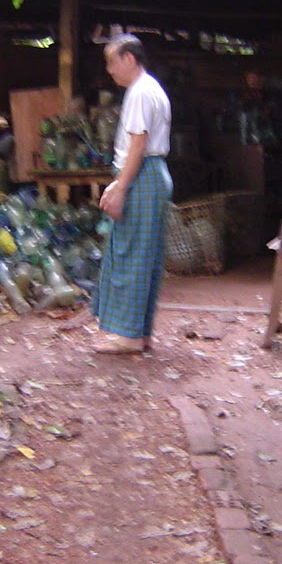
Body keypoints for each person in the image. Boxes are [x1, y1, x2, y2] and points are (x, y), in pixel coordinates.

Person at [91, 33, 173, 354]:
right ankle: (139, 333)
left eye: (112, 62)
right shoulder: (151, 88)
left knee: (131, 254)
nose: (109, 70)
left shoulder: (140, 92)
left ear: (129, 59)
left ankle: (128, 335)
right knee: (145, 255)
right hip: (152, 175)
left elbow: (138, 143)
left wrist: (120, 186)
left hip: (141, 175)